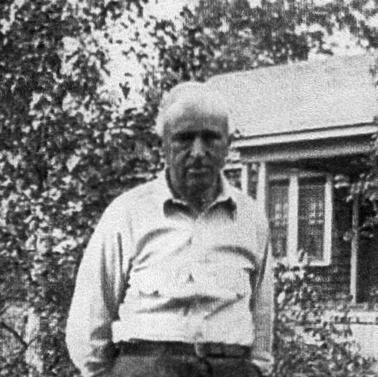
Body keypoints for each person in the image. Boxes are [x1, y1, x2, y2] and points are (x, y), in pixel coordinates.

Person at [66, 81, 274, 377]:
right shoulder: (128, 213)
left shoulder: (250, 218)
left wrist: (254, 369)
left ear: (227, 144)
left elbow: (263, 317)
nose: (198, 151)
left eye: (211, 138)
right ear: (164, 143)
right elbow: (89, 319)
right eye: (185, 138)